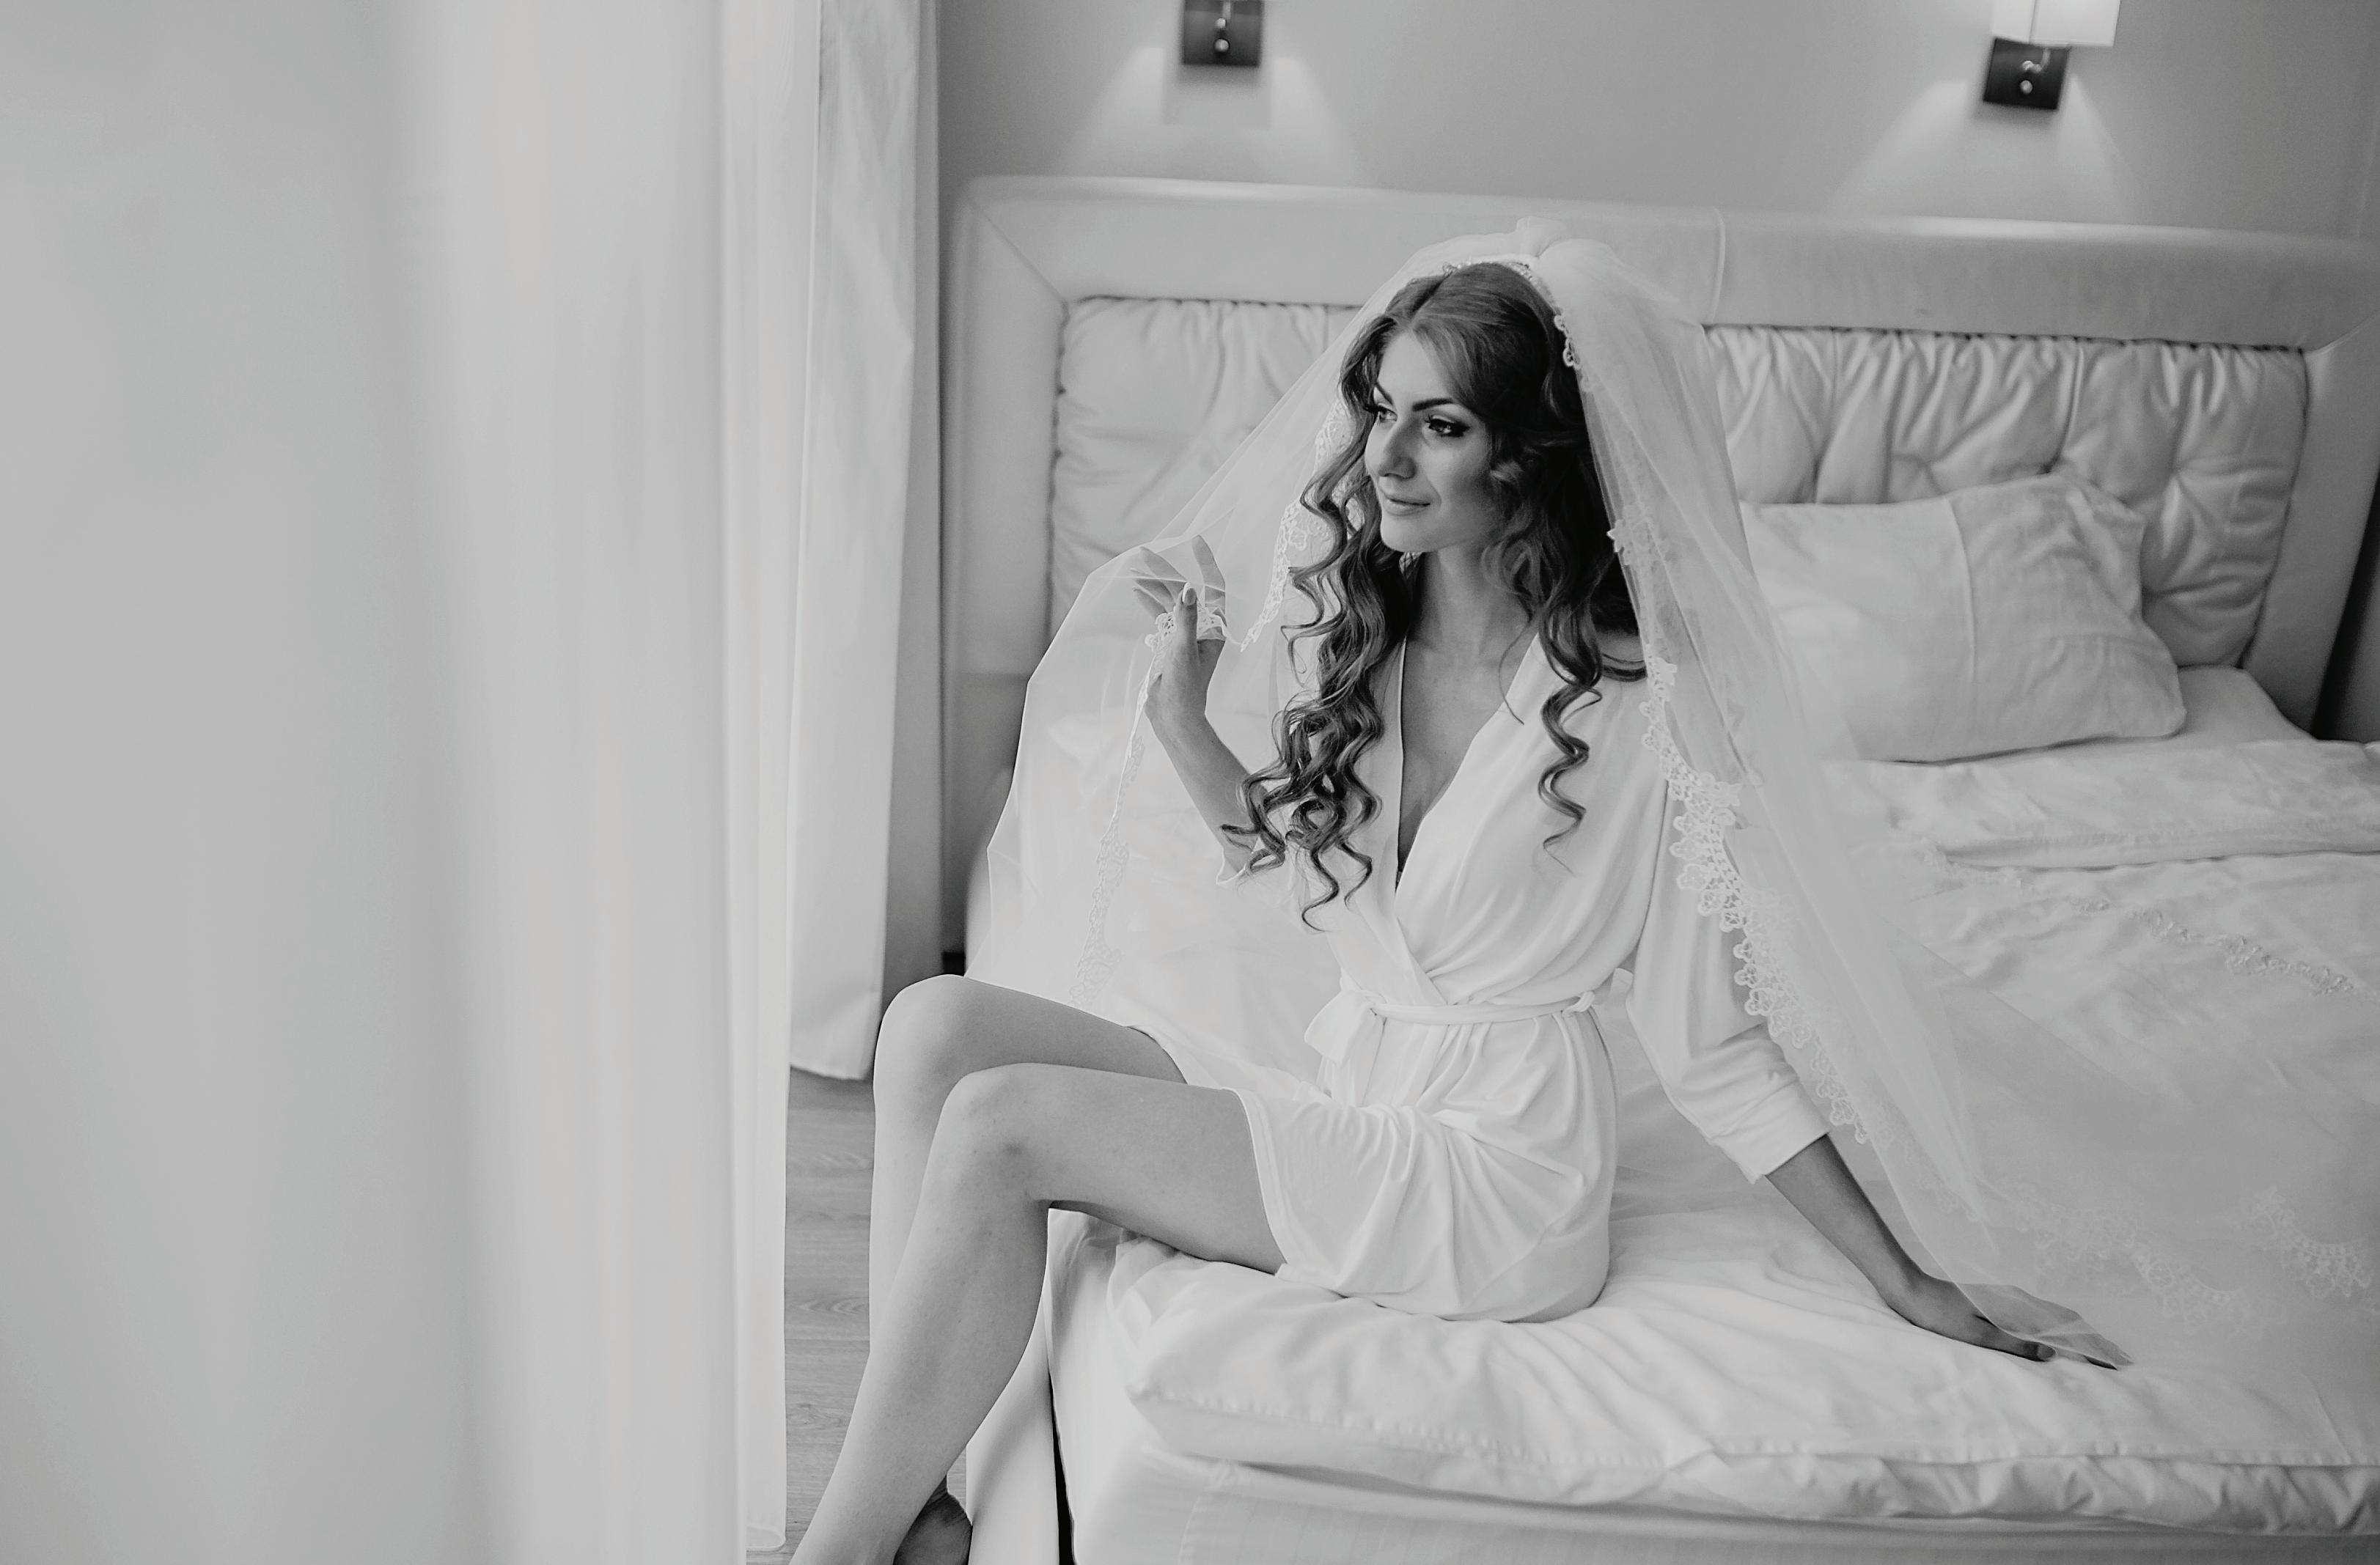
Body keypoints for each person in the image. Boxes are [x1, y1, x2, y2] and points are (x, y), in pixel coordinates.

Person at [789, 256, 2052, 1565]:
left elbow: (1715, 1050)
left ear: (1527, 458)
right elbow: (1325, 891)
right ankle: (920, 1501)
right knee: (933, 1028)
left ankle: (840, 1551)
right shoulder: (1371, 645)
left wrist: (1906, 1280)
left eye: (1438, 425)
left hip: (1495, 1175)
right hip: (1361, 1088)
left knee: (1001, 1127)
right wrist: (1180, 719)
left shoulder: (1645, 715)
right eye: (1381, 411)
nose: (1383, 457)